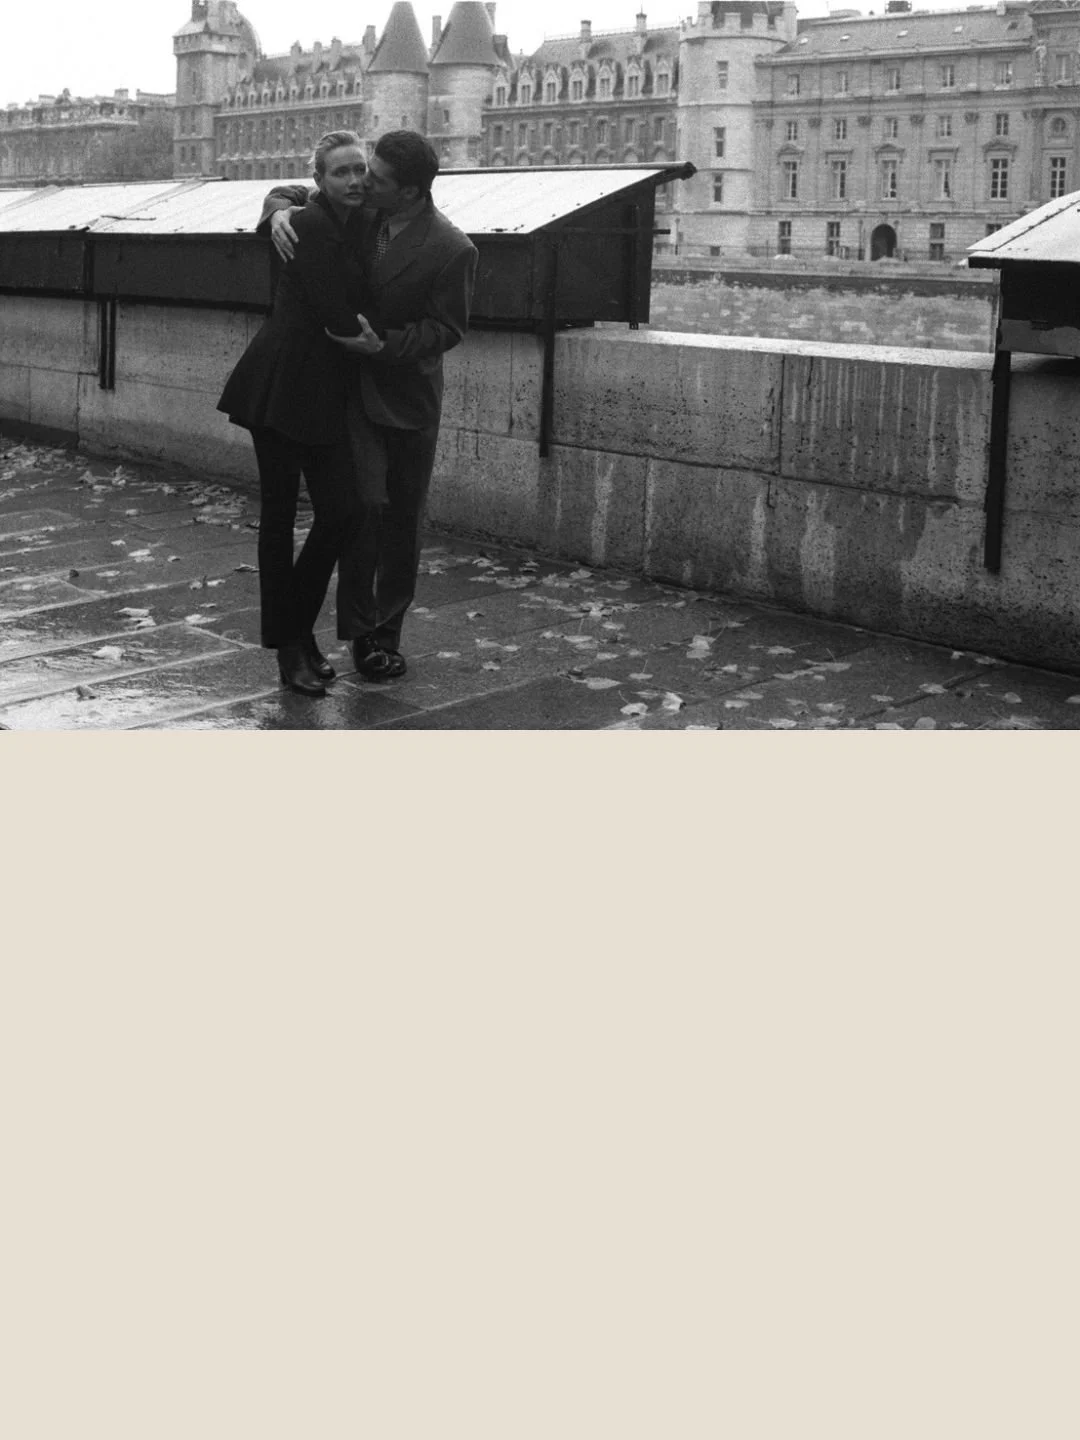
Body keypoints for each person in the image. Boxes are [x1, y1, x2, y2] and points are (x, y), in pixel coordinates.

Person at [263, 130, 478, 681]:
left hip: (406, 398)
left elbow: (445, 330)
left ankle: (385, 633)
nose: (362, 182)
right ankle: (359, 633)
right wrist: (277, 210)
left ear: (407, 192)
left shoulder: (451, 248)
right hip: (349, 395)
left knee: (400, 522)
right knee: (359, 512)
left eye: (374, 177)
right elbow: (304, 189)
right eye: (359, 172)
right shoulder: (363, 212)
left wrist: (384, 347)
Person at [217, 130, 371, 697]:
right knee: (281, 520)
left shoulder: (337, 214)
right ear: (321, 180)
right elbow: (339, 313)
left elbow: (284, 189)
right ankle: (289, 650)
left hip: (318, 387)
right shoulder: (308, 225)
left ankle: (297, 632)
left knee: (342, 513)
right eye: (341, 173)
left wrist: (277, 202)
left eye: (361, 169)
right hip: (281, 385)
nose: (354, 180)